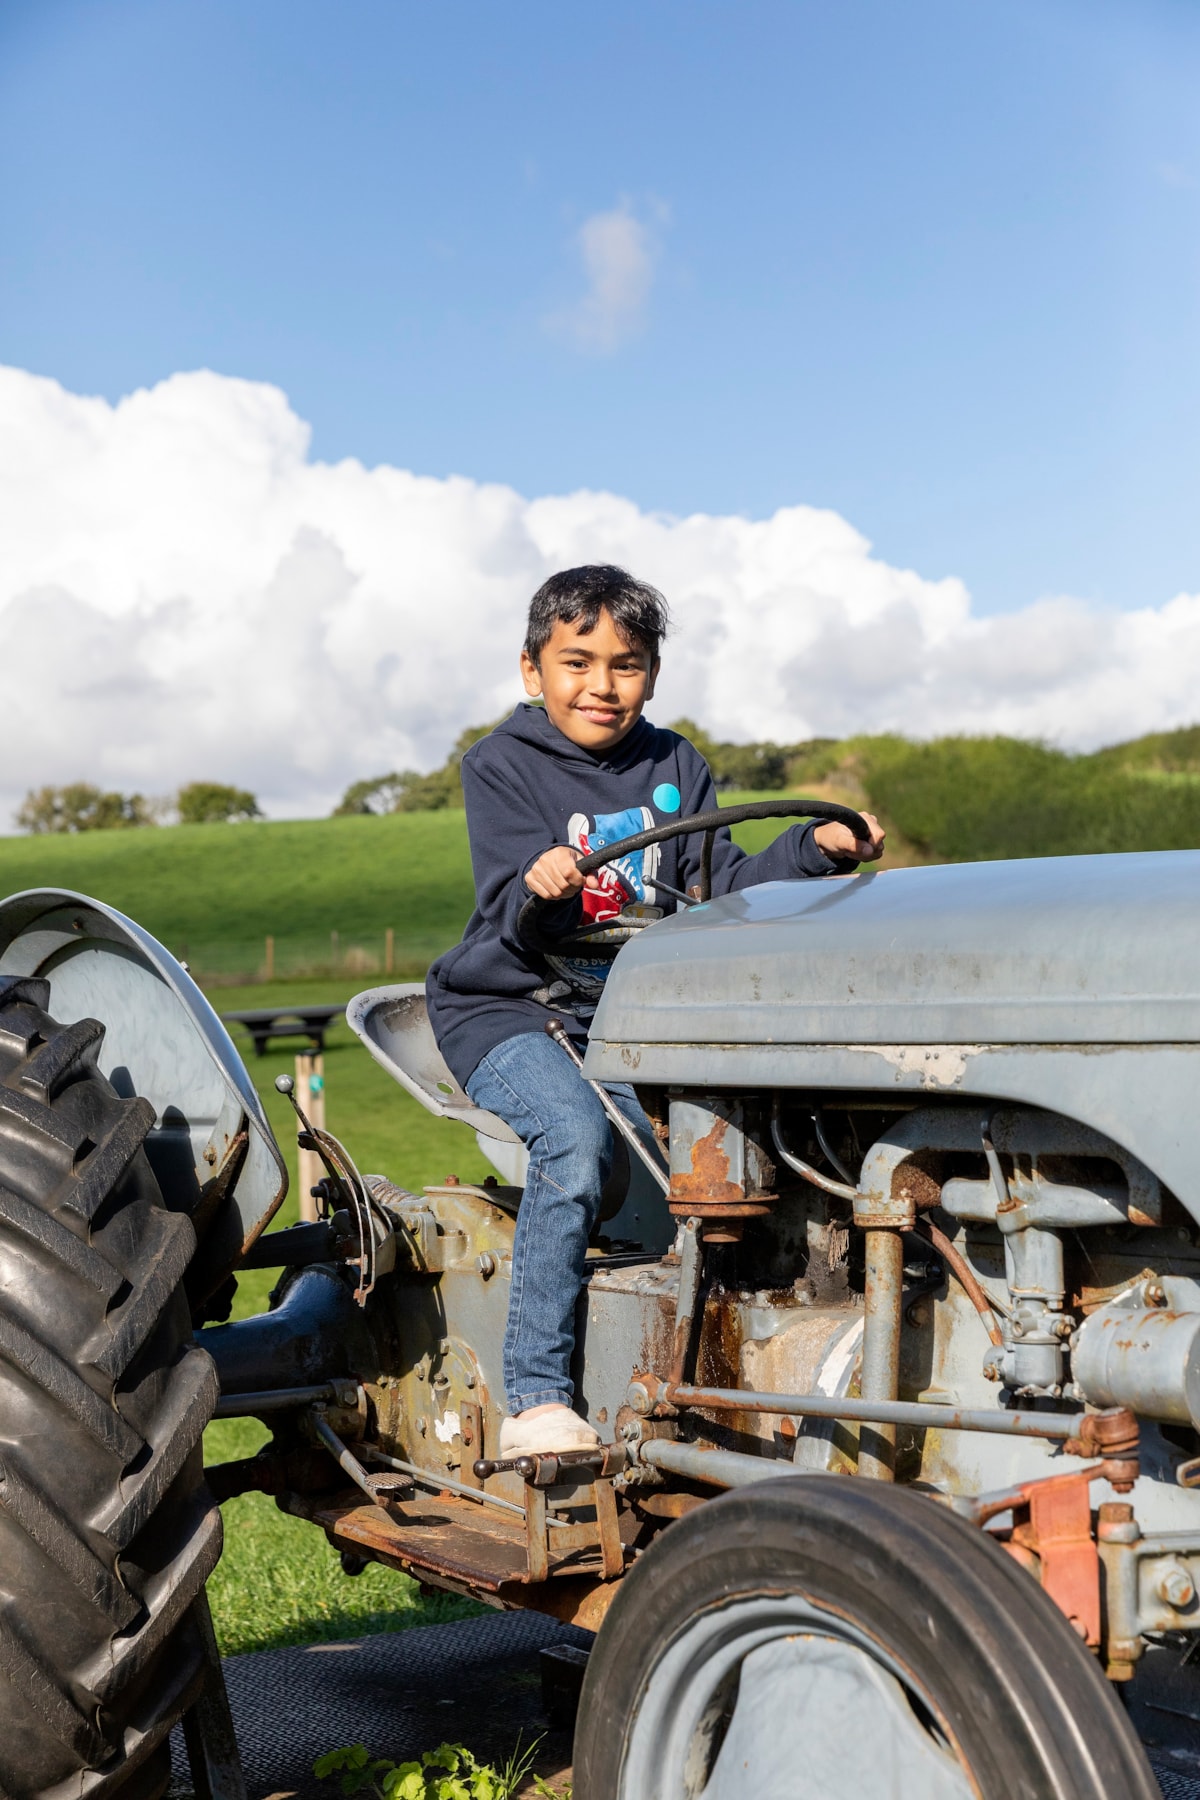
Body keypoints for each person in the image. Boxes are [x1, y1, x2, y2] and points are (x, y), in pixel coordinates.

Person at [426, 564, 885, 1456]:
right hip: (511, 1005)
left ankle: (731, 1362)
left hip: (629, 1016)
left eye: (626, 664)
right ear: (532, 671)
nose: (602, 684)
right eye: (577, 661)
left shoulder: (675, 762)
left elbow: (722, 888)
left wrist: (816, 847)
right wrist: (543, 878)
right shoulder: (501, 766)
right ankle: (537, 1399)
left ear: (652, 673)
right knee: (575, 1139)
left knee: (736, 1142)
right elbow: (516, 909)